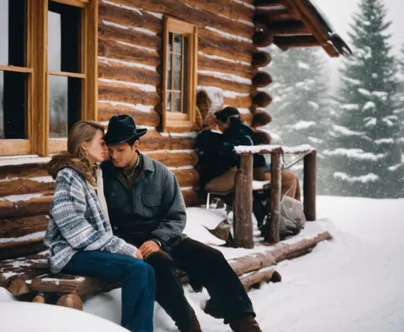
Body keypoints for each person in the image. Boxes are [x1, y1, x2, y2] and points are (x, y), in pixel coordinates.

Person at [100, 115, 262, 332]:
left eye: (120, 150)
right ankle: (188, 323)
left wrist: (158, 239)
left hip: (164, 236)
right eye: (110, 150)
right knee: (161, 266)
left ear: (135, 145)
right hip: (128, 242)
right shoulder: (103, 175)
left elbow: (176, 216)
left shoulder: (161, 174)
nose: (114, 155)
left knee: (212, 258)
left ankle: (245, 322)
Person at [44, 120, 155, 332]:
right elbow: (75, 231)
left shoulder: (93, 173)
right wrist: (121, 247)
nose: (107, 148)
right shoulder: (68, 176)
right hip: (69, 253)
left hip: (86, 250)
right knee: (137, 269)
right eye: (102, 143)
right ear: (84, 145)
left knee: (147, 269)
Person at [213, 107, 301, 201]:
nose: (218, 126)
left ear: (227, 121)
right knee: (289, 179)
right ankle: (280, 210)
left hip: (255, 170)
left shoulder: (234, 134)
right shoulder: (244, 131)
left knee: (290, 178)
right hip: (252, 171)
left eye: (219, 123)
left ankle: (282, 209)